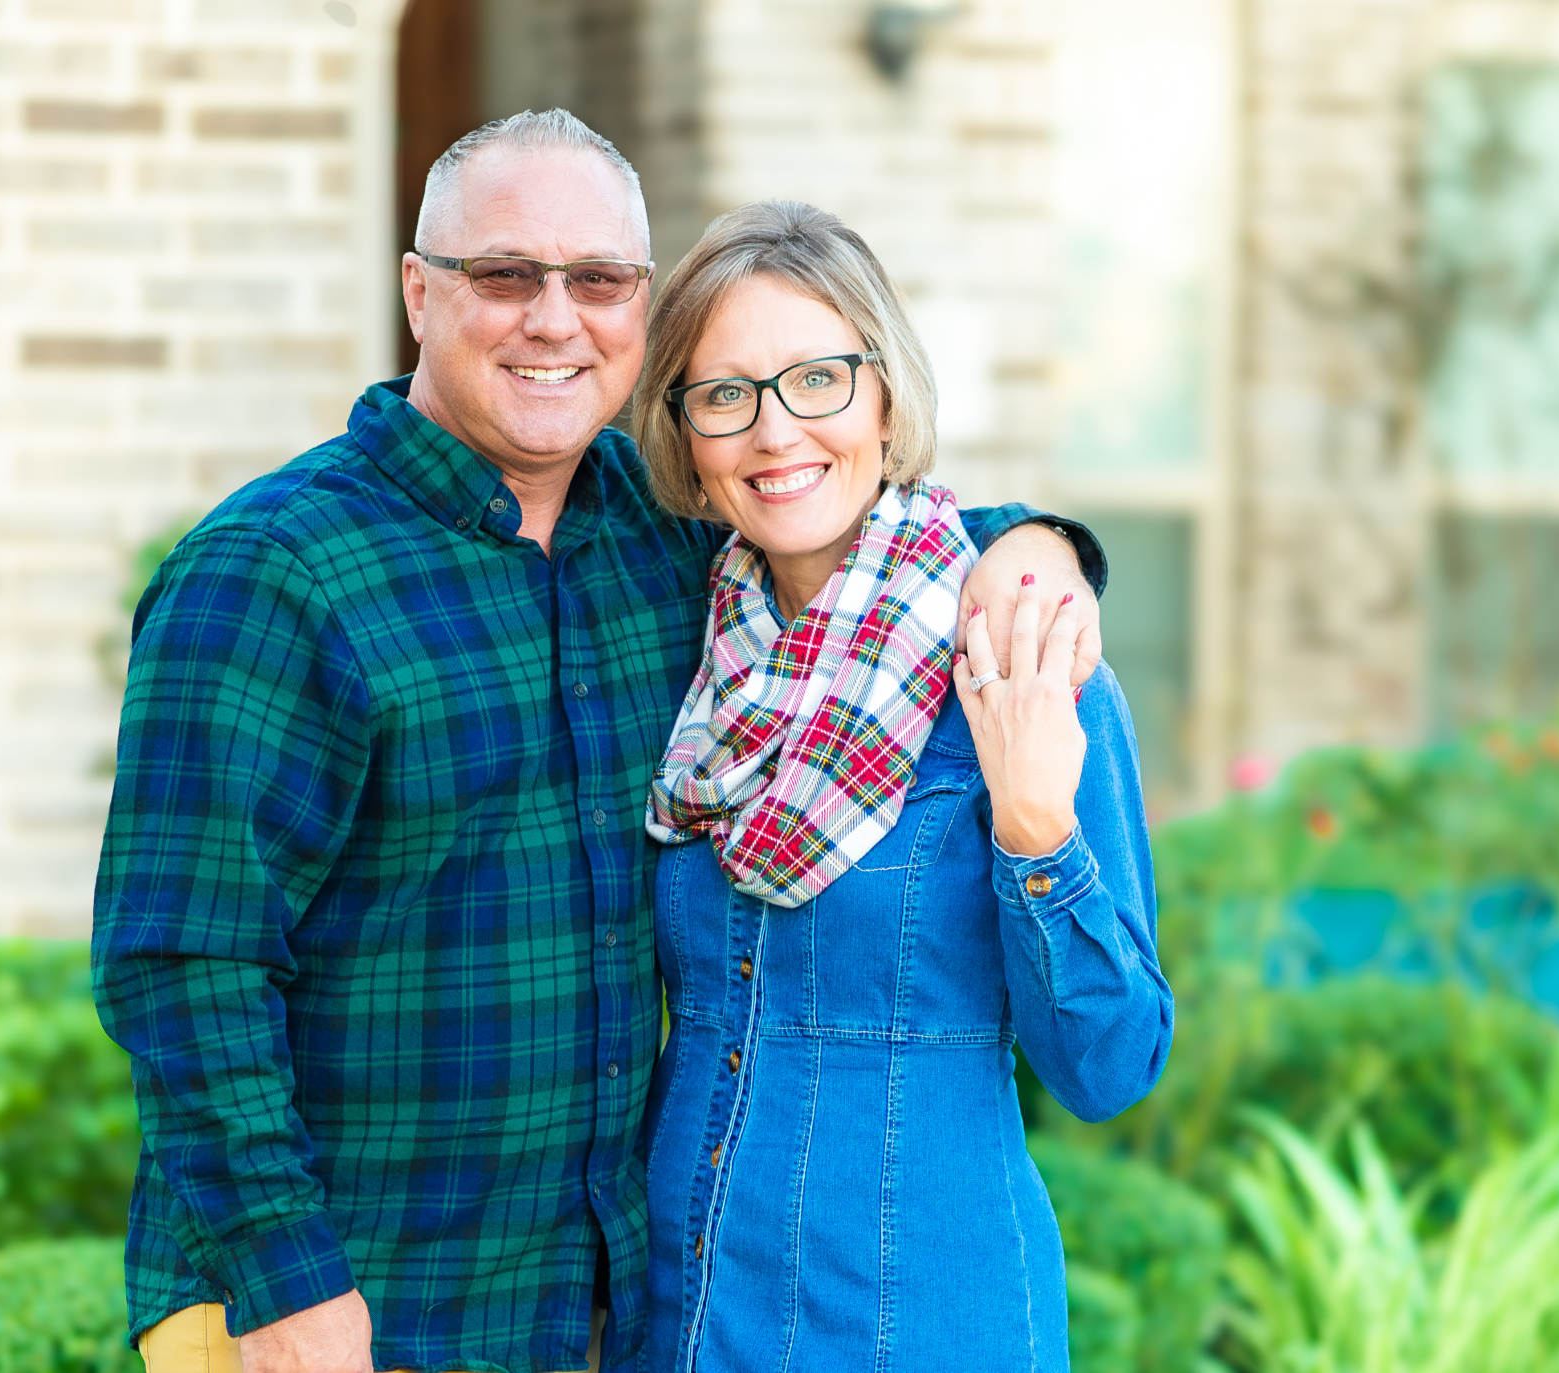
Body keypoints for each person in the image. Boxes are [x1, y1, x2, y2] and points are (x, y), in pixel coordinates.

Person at [92, 111, 1107, 1373]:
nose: (554, 318)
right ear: (419, 292)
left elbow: (856, 521)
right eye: (505, 274)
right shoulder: (270, 573)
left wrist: (1039, 547)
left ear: (639, 309)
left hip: (588, 1312)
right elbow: (180, 963)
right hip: (336, 1305)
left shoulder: (667, 548)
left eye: (601, 281)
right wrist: (288, 1287)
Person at [634, 201, 1175, 1372]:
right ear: (685, 433)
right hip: (679, 1308)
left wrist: (1037, 830)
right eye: (725, 394)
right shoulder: (689, 661)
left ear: (887, 394)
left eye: (818, 377)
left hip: (912, 1318)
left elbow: (1111, 1064)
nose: (776, 432)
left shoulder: (1024, 657)